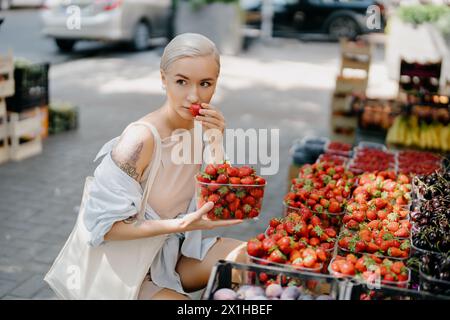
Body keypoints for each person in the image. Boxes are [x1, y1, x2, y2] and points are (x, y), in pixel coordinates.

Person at [83, 33, 248, 300]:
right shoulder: (141, 139)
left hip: (175, 258)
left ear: (216, 84)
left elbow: (218, 205)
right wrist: (180, 224)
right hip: (128, 272)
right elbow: (104, 228)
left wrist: (216, 142)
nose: (193, 96)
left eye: (205, 83)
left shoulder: (201, 129)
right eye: (181, 81)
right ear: (163, 79)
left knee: (253, 258)